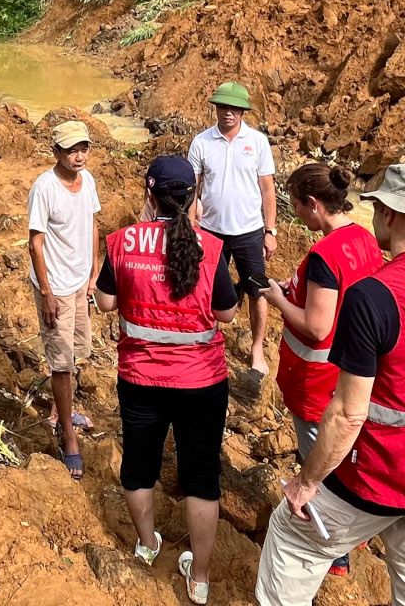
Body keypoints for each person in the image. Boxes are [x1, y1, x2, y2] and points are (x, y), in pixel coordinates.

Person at [254, 164, 405, 606]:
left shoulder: (376, 294)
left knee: (292, 538)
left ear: (389, 214)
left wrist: (307, 482)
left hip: (383, 470)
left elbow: (349, 412)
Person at [94, 155, 238, 606]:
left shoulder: (122, 242)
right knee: (201, 479)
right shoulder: (211, 248)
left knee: (139, 467)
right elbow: (227, 313)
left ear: (149, 193)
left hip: (140, 380)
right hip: (202, 384)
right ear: (194, 197)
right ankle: (200, 576)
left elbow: (103, 303)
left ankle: (146, 544)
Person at [258, 161, 381, 579]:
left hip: (318, 383)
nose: (294, 215)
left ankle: (333, 552)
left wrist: (276, 299)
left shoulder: (326, 254)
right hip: (352, 374)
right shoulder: (363, 237)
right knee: (345, 456)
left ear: (314, 205)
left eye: (296, 207)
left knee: (319, 462)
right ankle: (356, 532)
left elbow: (316, 325)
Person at [186, 81, 278, 376]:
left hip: (250, 231)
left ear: (242, 111)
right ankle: (207, 339)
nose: (228, 113)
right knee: (207, 287)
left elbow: (267, 189)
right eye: (223, 107)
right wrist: (191, 225)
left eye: (234, 108)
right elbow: (193, 188)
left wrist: (270, 231)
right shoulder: (202, 142)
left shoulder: (257, 142)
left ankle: (257, 348)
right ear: (216, 108)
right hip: (212, 231)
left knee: (257, 291)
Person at [27, 119, 102, 479]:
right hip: (55, 285)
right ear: (56, 152)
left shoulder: (87, 181)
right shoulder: (45, 188)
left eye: (84, 148)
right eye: (72, 149)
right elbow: (35, 242)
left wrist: (93, 272)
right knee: (60, 361)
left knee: (77, 350)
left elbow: (92, 224)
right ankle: (68, 437)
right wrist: (46, 292)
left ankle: (62, 411)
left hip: (78, 282)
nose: (79, 155)